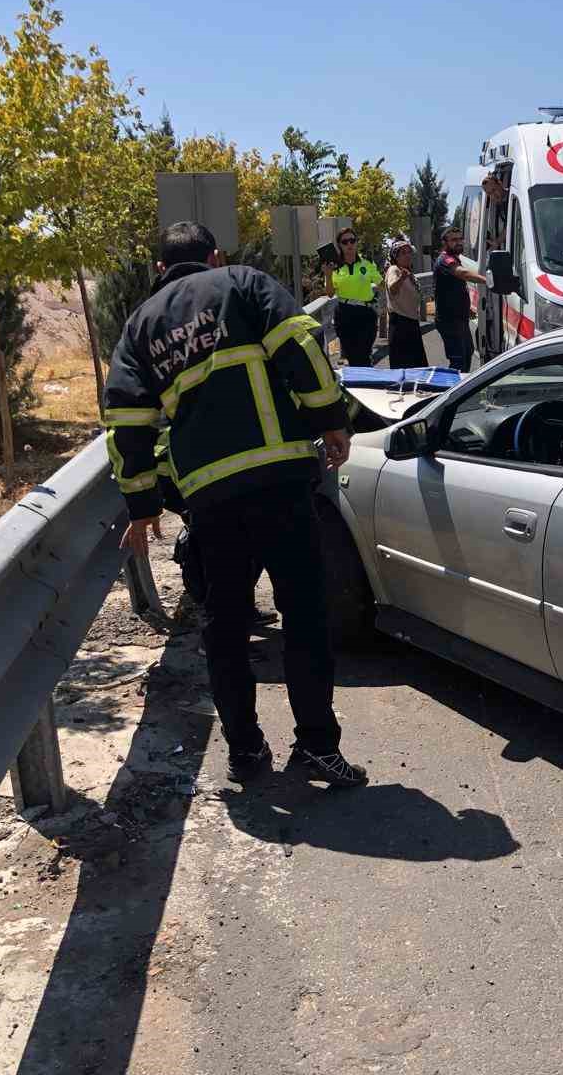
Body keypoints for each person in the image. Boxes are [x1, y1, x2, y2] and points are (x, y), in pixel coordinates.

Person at [103, 221, 368, 788]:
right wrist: (331, 420)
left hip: (211, 499)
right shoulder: (244, 283)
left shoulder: (143, 325)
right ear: (214, 255)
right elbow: (301, 344)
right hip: (281, 484)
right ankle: (318, 747)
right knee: (304, 615)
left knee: (223, 629)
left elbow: (126, 418)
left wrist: (143, 502)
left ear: (159, 270)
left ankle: (245, 753)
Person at [322, 227, 383, 367]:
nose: (349, 244)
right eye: (345, 242)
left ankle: (366, 384)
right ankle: (359, 385)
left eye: (352, 240)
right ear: (340, 245)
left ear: (357, 242)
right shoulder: (335, 267)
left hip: (366, 314)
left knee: (364, 355)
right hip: (345, 314)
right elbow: (330, 293)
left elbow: (381, 283)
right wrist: (328, 275)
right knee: (353, 357)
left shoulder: (367, 263)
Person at [432, 225, 487, 371]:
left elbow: (454, 289)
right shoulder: (445, 260)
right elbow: (462, 274)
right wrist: (488, 280)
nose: (459, 242)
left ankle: (460, 390)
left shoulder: (454, 258)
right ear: (445, 243)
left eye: (460, 239)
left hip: (459, 318)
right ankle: (453, 392)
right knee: (458, 361)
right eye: (454, 240)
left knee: (467, 353)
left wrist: (466, 308)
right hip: (449, 320)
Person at [385, 239, 428, 369]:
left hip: (411, 322)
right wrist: (401, 278)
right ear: (395, 256)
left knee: (417, 366)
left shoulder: (409, 273)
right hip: (400, 323)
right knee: (403, 367)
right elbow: (392, 288)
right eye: (403, 253)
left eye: (409, 252)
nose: (408, 255)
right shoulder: (394, 270)